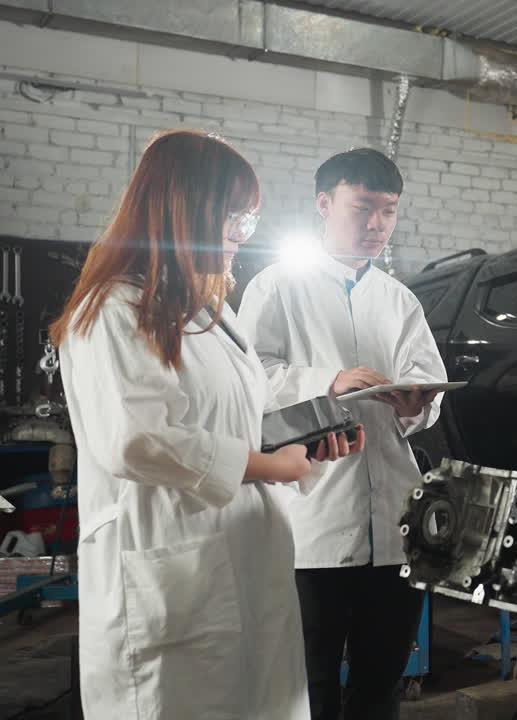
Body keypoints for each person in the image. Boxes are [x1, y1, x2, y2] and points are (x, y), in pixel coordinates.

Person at [52, 130, 364, 720]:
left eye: (246, 220)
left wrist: (300, 447)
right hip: (170, 568)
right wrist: (271, 464)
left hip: (244, 554)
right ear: (183, 211)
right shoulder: (112, 309)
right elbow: (137, 439)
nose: (240, 237)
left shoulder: (210, 312)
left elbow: (232, 421)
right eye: (233, 217)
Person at [237, 147, 448, 720]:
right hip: (312, 527)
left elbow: (426, 391)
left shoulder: (399, 300)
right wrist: (328, 380)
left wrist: (413, 404)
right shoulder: (276, 288)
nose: (376, 225)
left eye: (389, 212)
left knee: (380, 683)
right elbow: (251, 382)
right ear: (324, 205)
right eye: (363, 209)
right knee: (310, 683)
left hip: (394, 525)